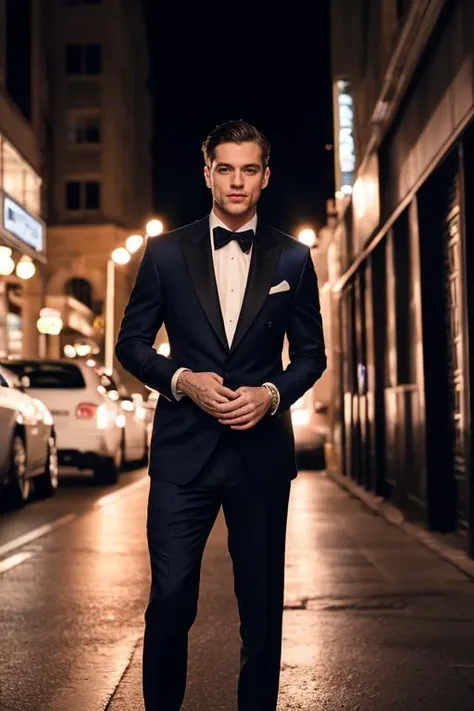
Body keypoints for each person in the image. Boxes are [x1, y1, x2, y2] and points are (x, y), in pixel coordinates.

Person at [115, 119, 326, 711]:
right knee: (172, 598)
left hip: (260, 458)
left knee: (260, 612)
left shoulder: (294, 257)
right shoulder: (164, 254)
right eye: (225, 168)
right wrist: (181, 380)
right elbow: (131, 344)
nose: (237, 181)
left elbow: (312, 356)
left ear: (266, 176)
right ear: (207, 173)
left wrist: (272, 394)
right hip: (184, 455)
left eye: (249, 169)